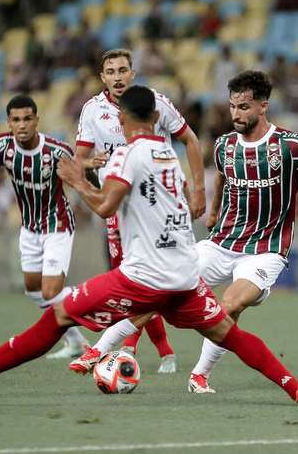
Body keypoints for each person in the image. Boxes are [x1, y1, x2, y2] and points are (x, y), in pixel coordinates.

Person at [0, 86, 298, 408]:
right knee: (230, 333)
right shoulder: (166, 155)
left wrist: (76, 179)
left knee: (59, 315)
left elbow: (106, 205)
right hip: (184, 275)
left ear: (122, 120)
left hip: (146, 275)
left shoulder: (128, 153)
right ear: (156, 120)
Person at [74, 70, 298, 394]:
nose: (236, 114)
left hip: (266, 249)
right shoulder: (224, 145)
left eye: (244, 107)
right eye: (233, 107)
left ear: (263, 106)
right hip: (221, 244)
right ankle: (98, 350)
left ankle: (199, 375)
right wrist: (215, 210)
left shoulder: (287, 144)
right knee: (158, 290)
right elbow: (220, 176)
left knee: (230, 304)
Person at [74, 49, 206, 373]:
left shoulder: (155, 103)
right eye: (111, 71)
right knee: (132, 280)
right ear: (102, 77)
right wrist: (91, 164)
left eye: (122, 70)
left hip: (155, 208)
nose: (117, 76)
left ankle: (128, 349)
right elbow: (80, 160)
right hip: (118, 208)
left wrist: (199, 189)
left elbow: (190, 139)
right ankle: (162, 349)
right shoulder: (92, 110)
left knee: (143, 281)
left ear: (132, 73)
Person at [0, 95, 89, 359]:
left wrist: (91, 169)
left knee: (50, 291)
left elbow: (81, 174)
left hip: (57, 225)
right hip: (29, 229)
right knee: (35, 291)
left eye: (27, 119)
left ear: (37, 120)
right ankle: (76, 342)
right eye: (16, 120)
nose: (22, 125)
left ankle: (100, 296)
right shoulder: (1, 145)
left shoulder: (56, 150)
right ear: (9, 122)